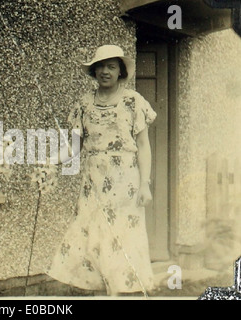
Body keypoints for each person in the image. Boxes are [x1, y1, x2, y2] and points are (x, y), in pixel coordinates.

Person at [47, 45, 157, 296]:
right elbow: (74, 147)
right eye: (100, 66)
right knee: (93, 238)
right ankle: (101, 291)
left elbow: (143, 147)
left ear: (120, 71)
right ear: (94, 71)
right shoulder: (84, 104)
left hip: (125, 183)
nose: (105, 71)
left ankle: (120, 293)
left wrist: (144, 185)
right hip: (94, 183)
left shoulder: (133, 101)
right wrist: (51, 162)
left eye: (111, 66)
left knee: (121, 238)